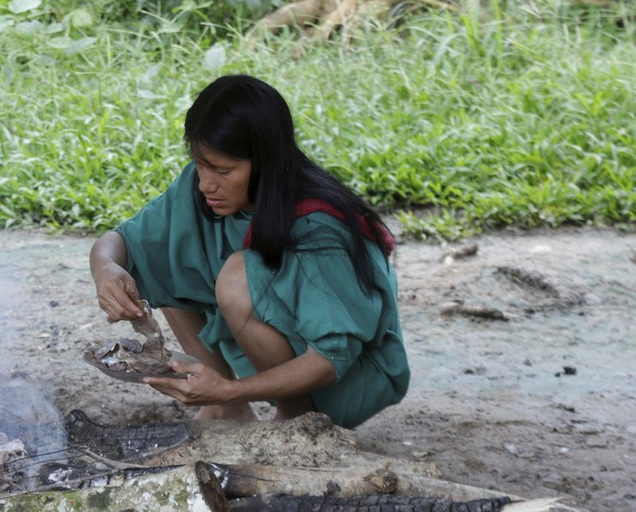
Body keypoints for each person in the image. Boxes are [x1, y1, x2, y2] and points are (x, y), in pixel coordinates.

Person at [89, 74, 409, 427]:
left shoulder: (320, 230)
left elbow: (330, 360)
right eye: (200, 163)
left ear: (266, 164)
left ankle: (297, 420)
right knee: (162, 254)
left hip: (349, 379)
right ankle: (227, 412)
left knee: (237, 278)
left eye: (224, 170)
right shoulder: (202, 188)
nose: (207, 183)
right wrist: (106, 270)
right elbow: (121, 240)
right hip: (278, 358)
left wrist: (228, 388)